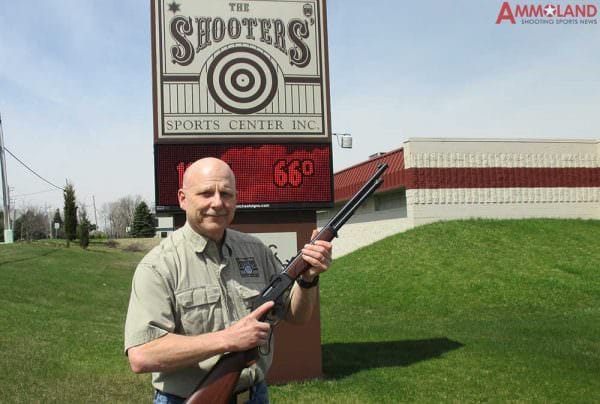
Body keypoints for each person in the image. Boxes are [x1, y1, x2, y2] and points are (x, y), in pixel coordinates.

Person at [124, 157, 332, 404]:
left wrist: (308, 279)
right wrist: (227, 339)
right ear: (182, 198)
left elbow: (297, 316)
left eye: (226, 193)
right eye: (205, 193)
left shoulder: (256, 250)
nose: (217, 203)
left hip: (254, 395)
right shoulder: (158, 266)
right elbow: (142, 355)